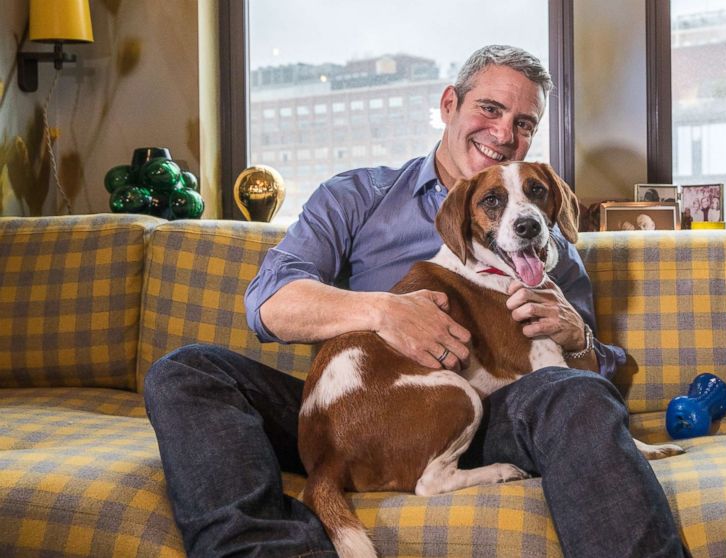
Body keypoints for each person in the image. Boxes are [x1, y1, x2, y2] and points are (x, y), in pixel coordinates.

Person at [143, 44, 685, 558]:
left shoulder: (545, 239)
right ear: (449, 105)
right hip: (358, 410)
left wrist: (579, 336)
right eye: (489, 109)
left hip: (493, 415)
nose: (503, 133)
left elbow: (587, 380)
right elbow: (268, 302)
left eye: (524, 124)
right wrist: (384, 311)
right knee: (187, 371)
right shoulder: (356, 197)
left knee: (573, 394)